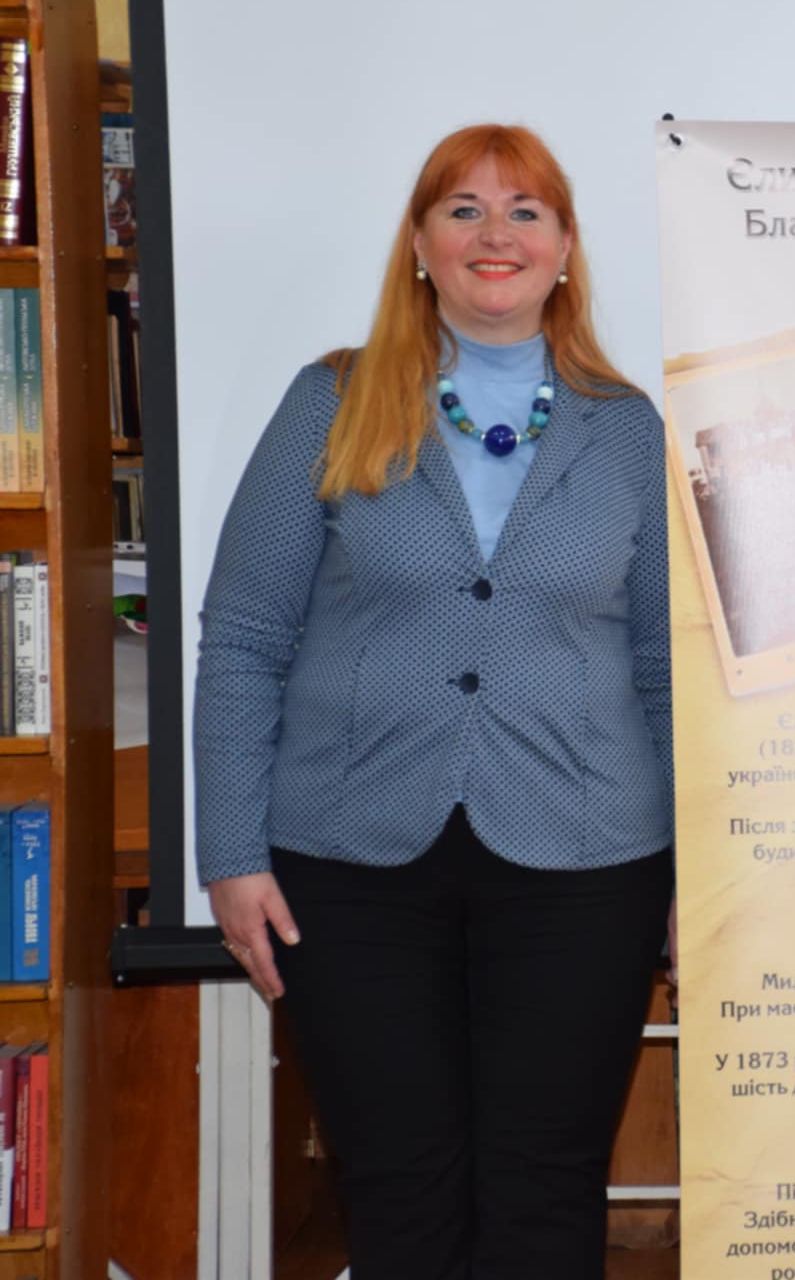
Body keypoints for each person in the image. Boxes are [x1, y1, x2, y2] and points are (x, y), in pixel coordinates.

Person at [195, 124, 675, 1278]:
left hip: (586, 861)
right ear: (419, 243)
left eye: (525, 211)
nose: (493, 234)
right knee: (397, 1186)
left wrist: (691, 872)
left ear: (565, 247)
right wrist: (230, 853)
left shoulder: (626, 427)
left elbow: (665, 661)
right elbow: (246, 637)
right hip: (350, 862)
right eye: (463, 209)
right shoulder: (331, 400)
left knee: (545, 1186)